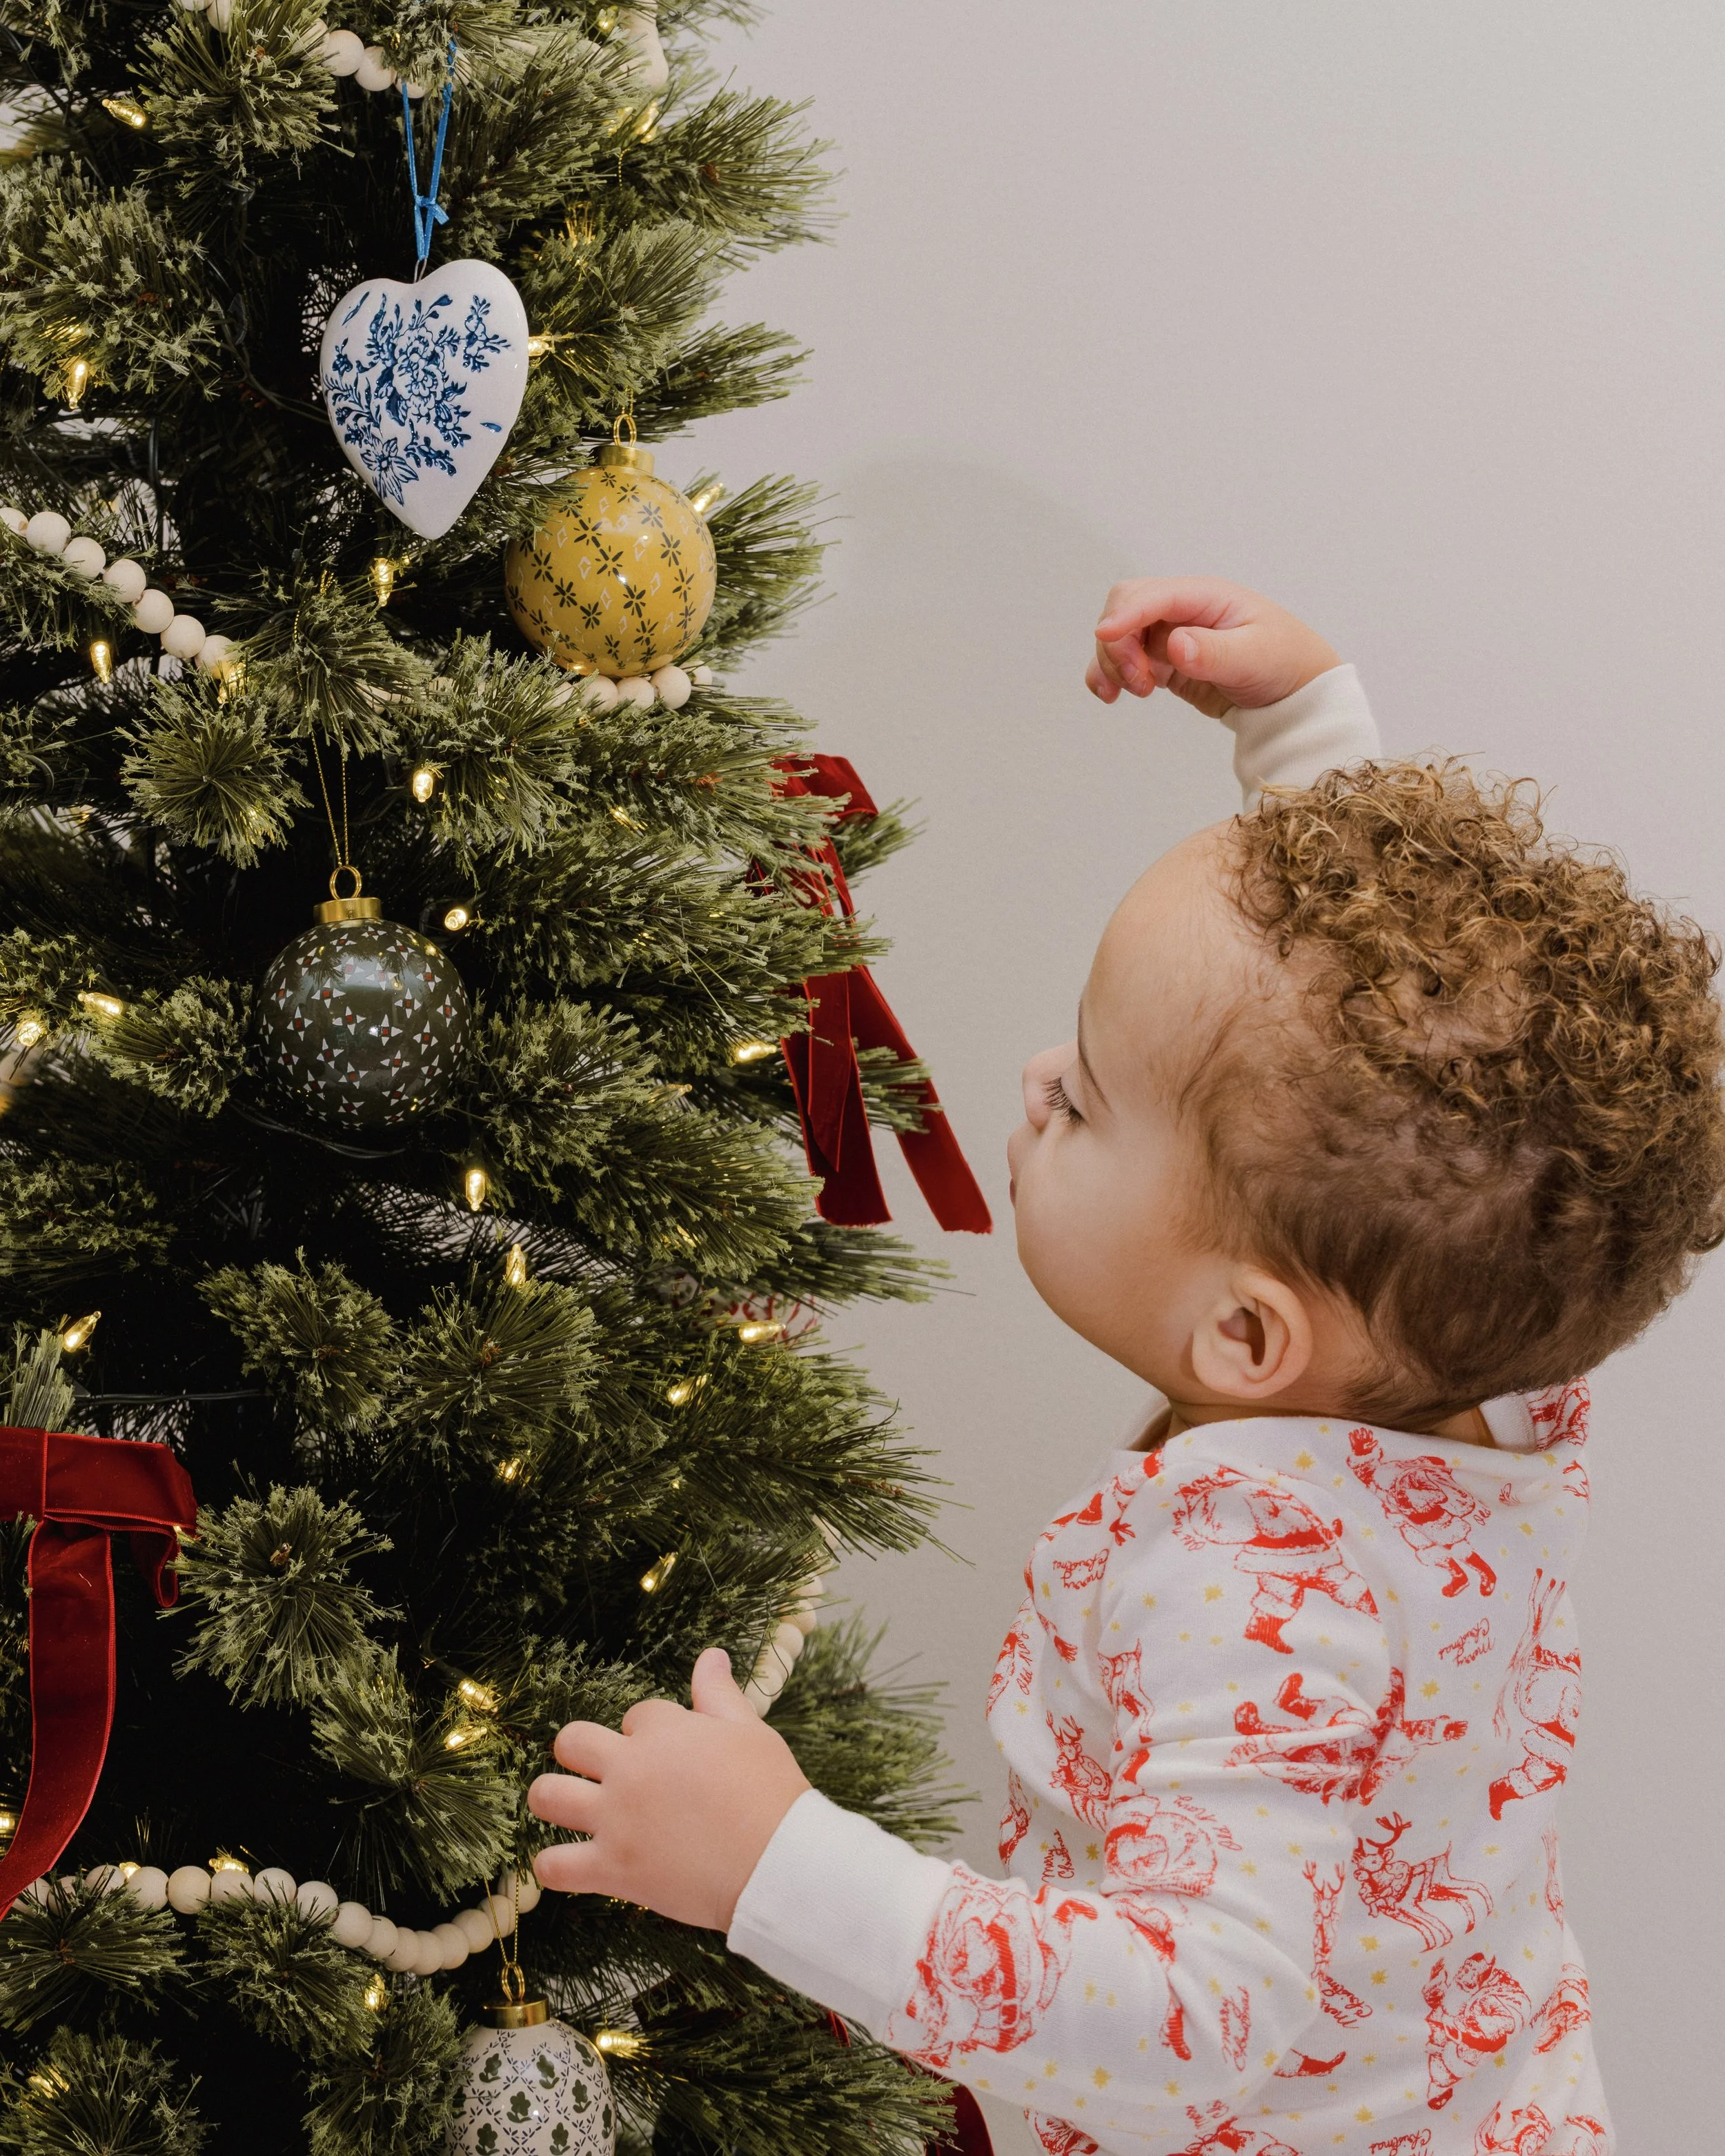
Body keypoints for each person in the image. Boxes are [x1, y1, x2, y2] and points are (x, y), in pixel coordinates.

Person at [527, 578, 1725, 2156]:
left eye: (1085, 1100)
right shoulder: (1482, 1345)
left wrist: (770, 1862)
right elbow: (1392, 1078)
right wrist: (1301, 736)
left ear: (1242, 1334)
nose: (1035, 1078)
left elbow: (1186, 2018)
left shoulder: (1253, 1584)